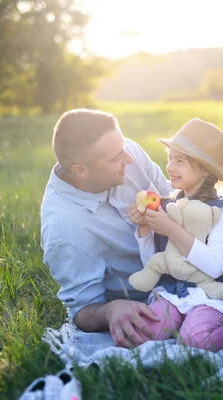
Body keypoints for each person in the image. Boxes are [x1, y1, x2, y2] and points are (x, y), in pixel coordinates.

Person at [41, 108, 173, 348]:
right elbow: (82, 310)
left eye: (123, 147)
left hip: (190, 257)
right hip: (156, 298)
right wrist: (111, 310)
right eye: (115, 158)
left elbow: (175, 199)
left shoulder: (126, 151)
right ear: (81, 171)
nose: (129, 158)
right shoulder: (64, 227)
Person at [128, 118, 223, 351]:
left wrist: (172, 230)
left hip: (210, 294)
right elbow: (153, 265)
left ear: (205, 169)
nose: (170, 168)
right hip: (173, 294)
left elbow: (217, 267)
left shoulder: (222, 211)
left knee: (195, 340)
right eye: (170, 159)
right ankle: (178, 322)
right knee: (140, 335)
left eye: (180, 161)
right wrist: (144, 230)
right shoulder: (166, 207)